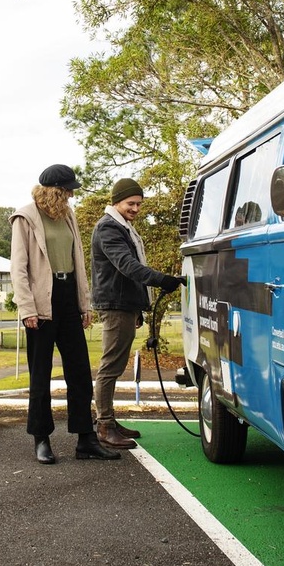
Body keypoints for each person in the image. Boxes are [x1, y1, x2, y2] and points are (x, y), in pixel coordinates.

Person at [9, 164, 120, 465]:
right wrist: (27, 309)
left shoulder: (68, 215)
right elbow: (18, 268)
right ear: (55, 190)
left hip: (68, 296)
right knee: (41, 375)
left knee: (80, 373)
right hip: (41, 302)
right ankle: (41, 439)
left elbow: (78, 261)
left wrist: (84, 304)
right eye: (68, 190)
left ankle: (85, 440)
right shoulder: (25, 218)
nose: (71, 195)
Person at [91, 178, 184, 449]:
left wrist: (139, 305)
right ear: (116, 201)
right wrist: (162, 279)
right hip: (115, 306)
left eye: (139, 204)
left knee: (116, 365)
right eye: (130, 203)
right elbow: (127, 266)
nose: (135, 208)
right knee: (110, 367)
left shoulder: (123, 226)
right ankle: (104, 425)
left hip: (125, 304)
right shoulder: (109, 228)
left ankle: (109, 419)